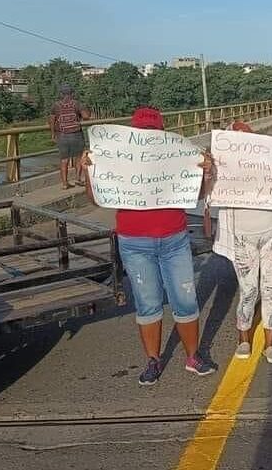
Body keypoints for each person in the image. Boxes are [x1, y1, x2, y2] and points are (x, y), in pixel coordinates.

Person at [83, 106, 216, 385]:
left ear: (161, 134)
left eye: (152, 133)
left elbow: (198, 195)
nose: (147, 138)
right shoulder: (115, 159)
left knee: (186, 301)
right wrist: (89, 173)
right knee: (148, 304)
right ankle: (153, 361)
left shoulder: (177, 156)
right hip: (134, 243)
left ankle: (193, 357)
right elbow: (97, 199)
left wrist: (206, 173)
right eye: (142, 133)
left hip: (175, 240)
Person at [210, 122, 272, 365]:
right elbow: (208, 192)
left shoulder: (269, 162)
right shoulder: (222, 168)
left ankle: (270, 343)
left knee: (270, 291)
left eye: (246, 138)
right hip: (242, 238)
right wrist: (207, 171)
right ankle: (243, 339)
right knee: (248, 292)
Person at [49, 84, 90, 190]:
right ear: (72, 93)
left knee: (64, 160)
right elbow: (86, 116)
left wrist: (53, 134)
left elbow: (52, 120)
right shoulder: (76, 104)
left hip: (62, 135)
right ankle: (78, 178)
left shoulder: (56, 105)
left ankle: (64, 183)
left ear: (61, 94)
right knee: (79, 157)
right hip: (76, 134)